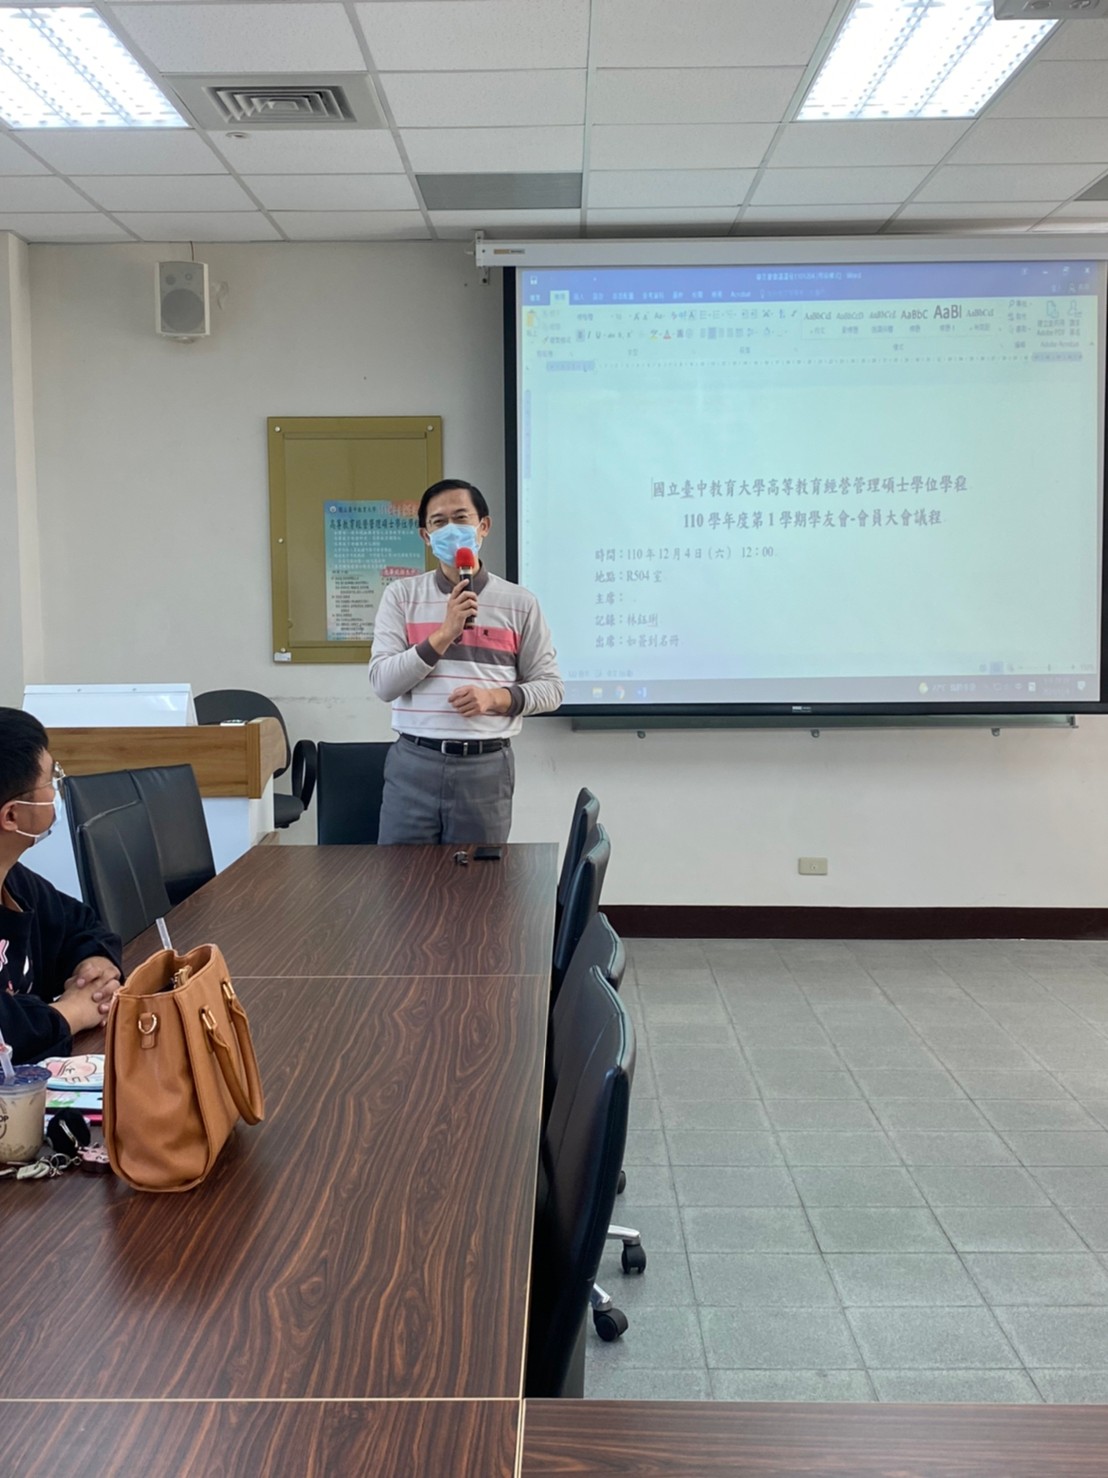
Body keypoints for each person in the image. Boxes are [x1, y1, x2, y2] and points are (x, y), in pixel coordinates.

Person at [369, 478, 563, 845]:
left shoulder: (520, 603)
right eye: (439, 522)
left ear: (483, 526)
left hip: (485, 768)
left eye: (461, 518)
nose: (451, 529)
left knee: (478, 877)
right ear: (426, 536)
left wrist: (495, 699)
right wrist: (443, 635)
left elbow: (551, 688)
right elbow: (383, 683)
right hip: (414, 761)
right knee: (401, 875)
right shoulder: (401, 596)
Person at [0, 708, 123, 1064]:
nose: (55, 792)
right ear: (12, 815)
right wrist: (72, 1013)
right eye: (50, 781)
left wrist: (94, 964)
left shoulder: (15, 883)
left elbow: (80, 924)